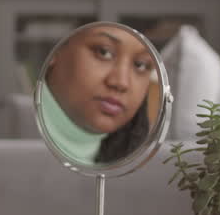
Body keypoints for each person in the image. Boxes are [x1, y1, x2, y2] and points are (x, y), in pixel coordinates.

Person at [41, 23, 155, 165]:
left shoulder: (141, 166)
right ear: (55, 51)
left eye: (140, 65)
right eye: (103, 52)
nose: (121, 82)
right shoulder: (11, 132)